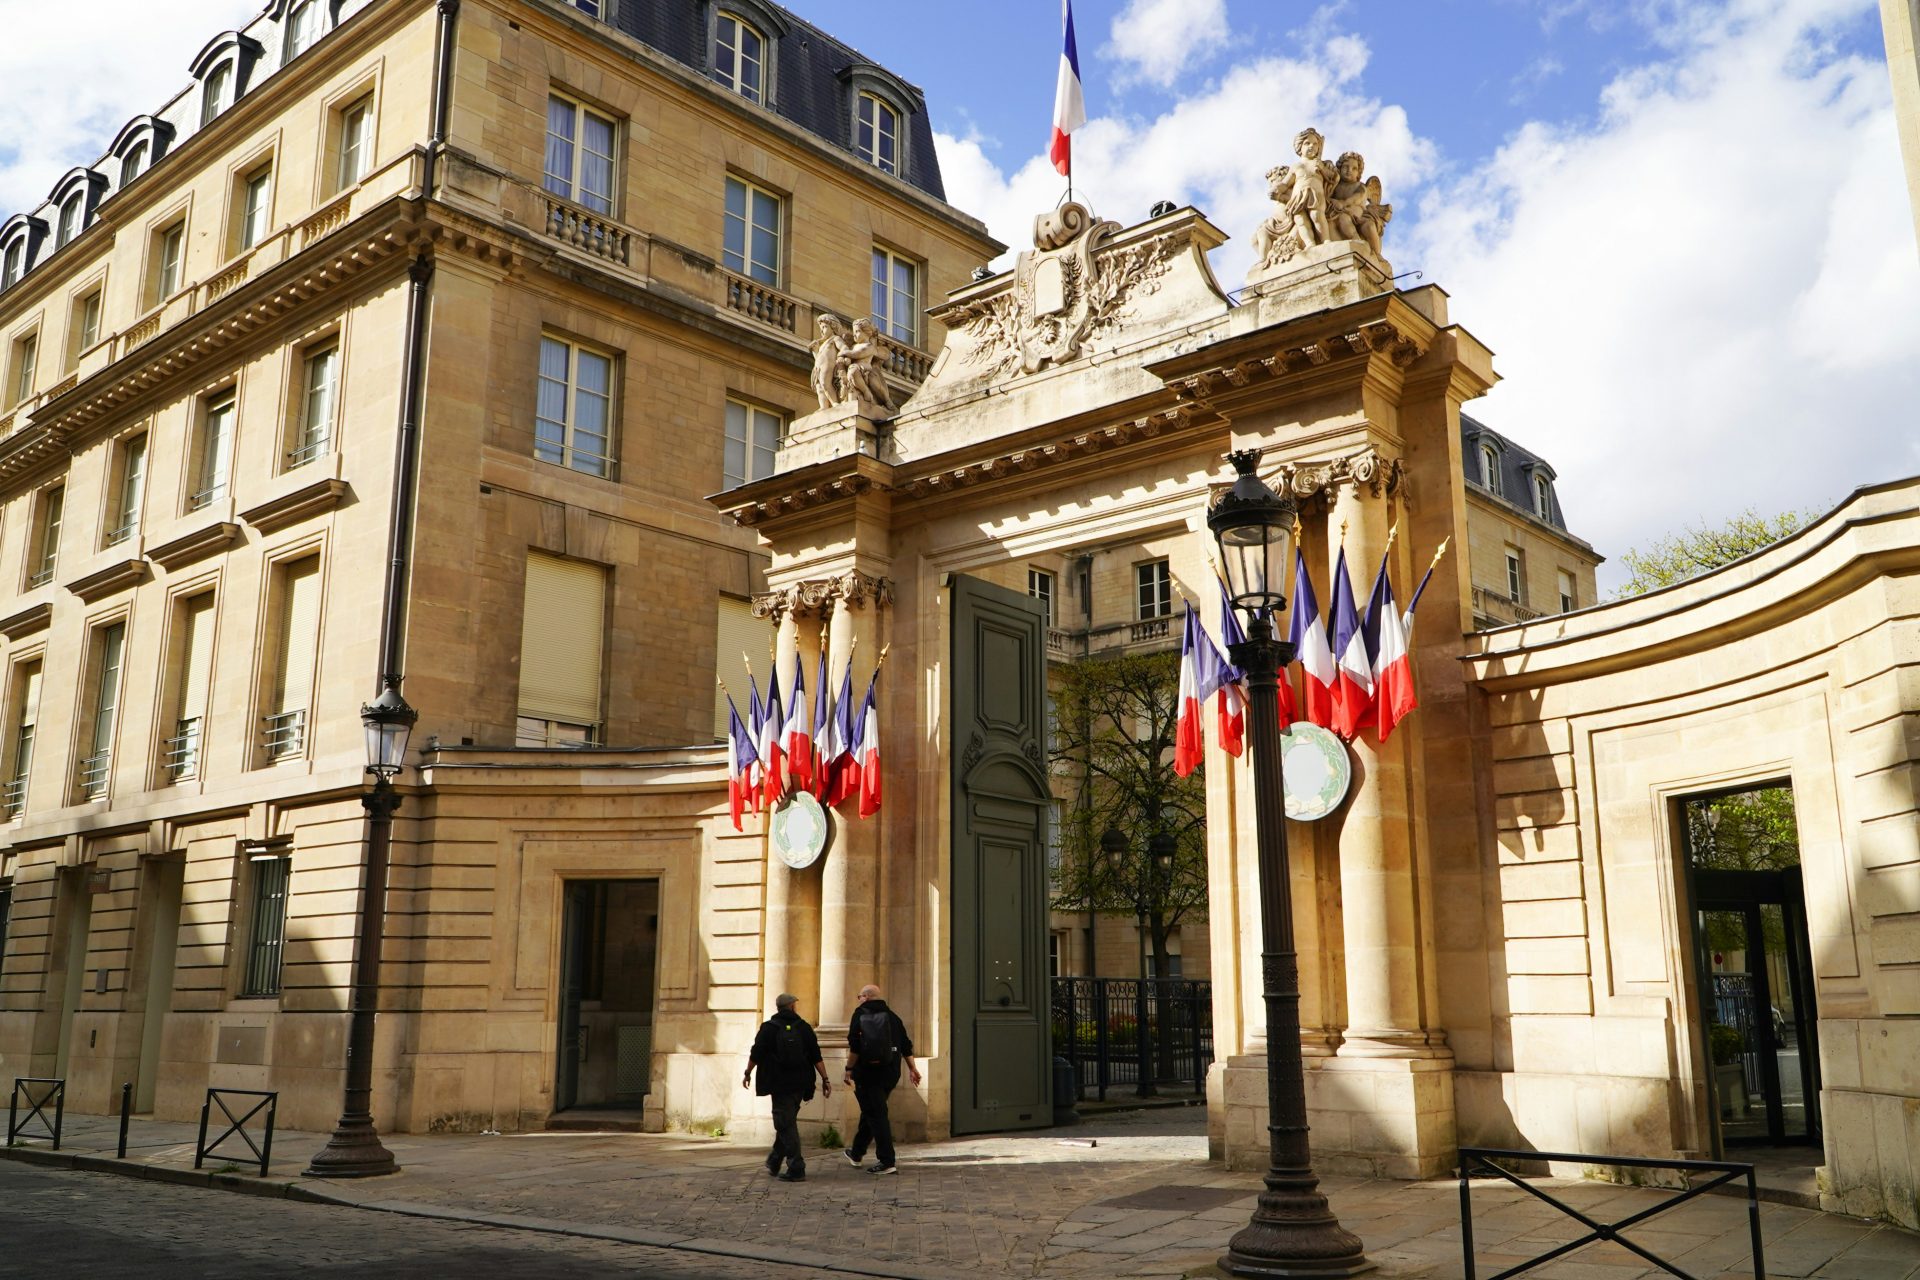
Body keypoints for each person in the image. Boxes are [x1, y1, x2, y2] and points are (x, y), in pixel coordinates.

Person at [743, 992, 830, 1182]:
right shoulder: (804, 1028)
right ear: (792, 1006)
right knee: (787, 1121)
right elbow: (816, 1055)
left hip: (778, 1082)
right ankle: (775, 1160)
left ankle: (796, 1167)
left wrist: (747, 1072)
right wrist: (825, 1078)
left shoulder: (768, 1028)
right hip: (801, 1082)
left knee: (784, 1123)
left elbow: (756, 1052)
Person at [841, 983, 920, 1174]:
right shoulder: (893, 1017)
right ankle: (857, 1152)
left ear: (866, 997)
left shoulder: (859, 1015)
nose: (858, 1000)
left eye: (859, 996)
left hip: (867, 1073)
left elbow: (855, 1047)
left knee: (877, 1115)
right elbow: (906, 1046)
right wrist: (913, 1069)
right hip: (890, 1073)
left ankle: (887, 1161)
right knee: (872, 1110)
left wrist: (849, 1068)